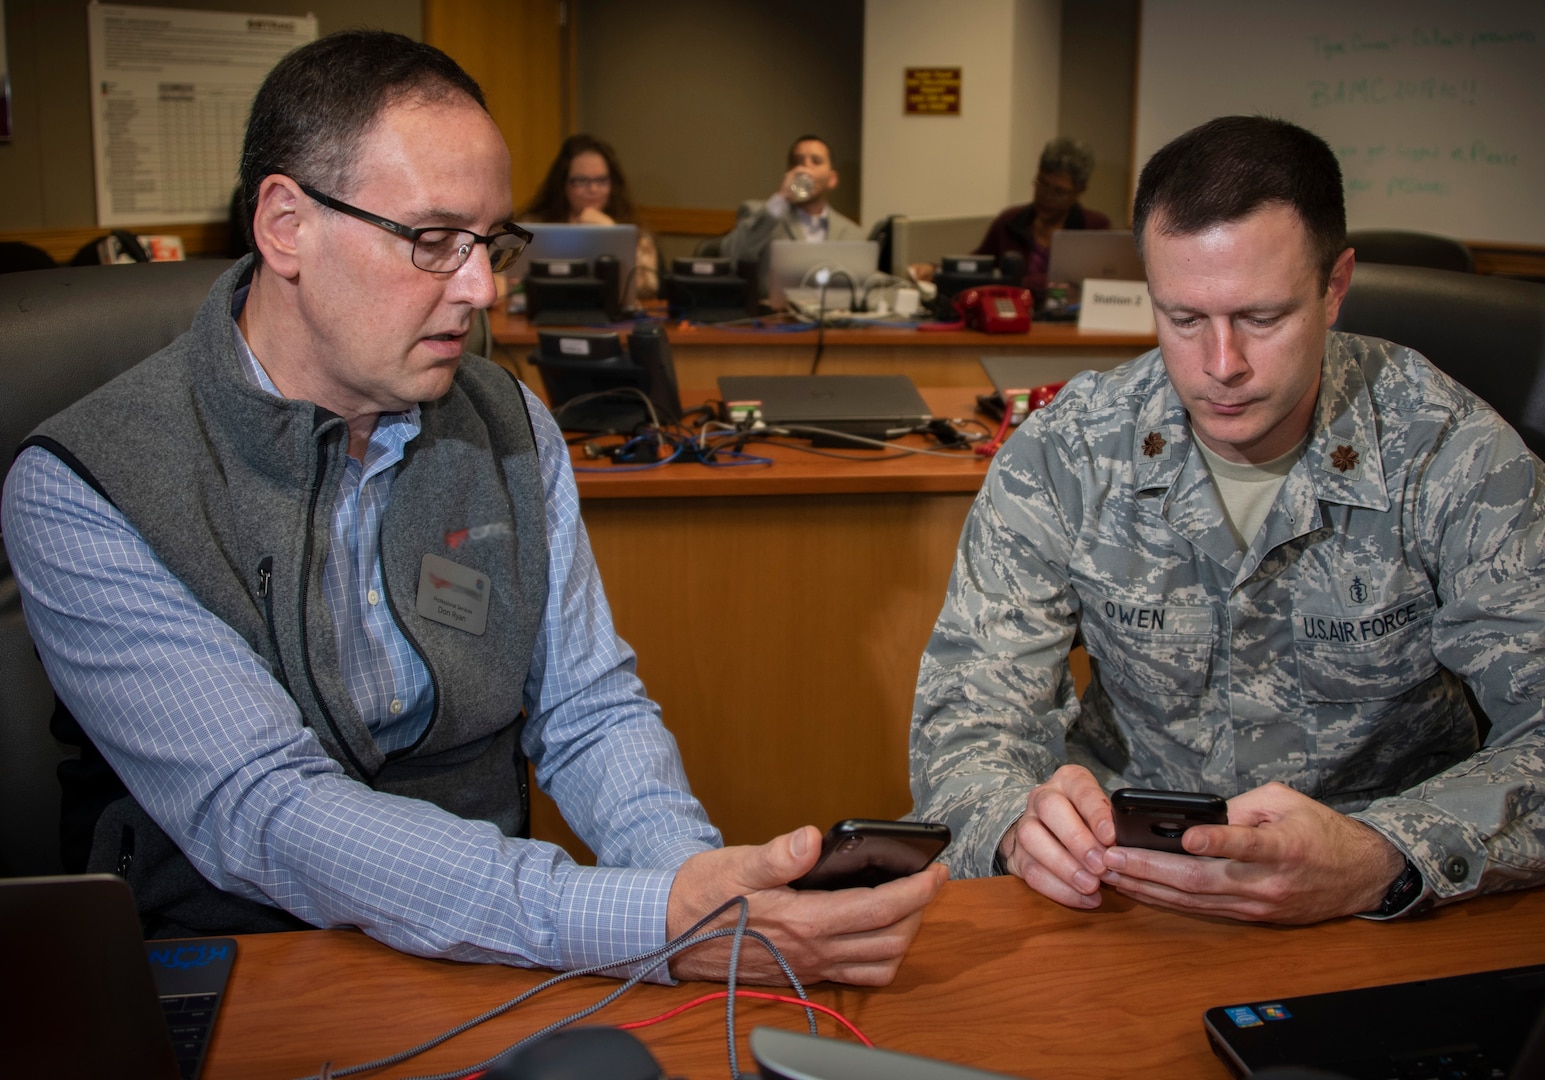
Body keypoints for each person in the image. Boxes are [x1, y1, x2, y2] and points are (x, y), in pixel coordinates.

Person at [2, 29, 943, 985]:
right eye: (431, 241)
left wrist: (697, 884)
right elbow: (268, 812)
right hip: (247, 963)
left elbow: (589, 710)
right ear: (286, 224)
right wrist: (652, 921)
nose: (482, 288)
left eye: (491, 243)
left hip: (492, 948)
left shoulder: (507, 423)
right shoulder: (87, 485)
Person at [910, 115, 1545, 925]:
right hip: (1126, 897)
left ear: (1335, 287)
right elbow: (969, 716)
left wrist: (1384, 853)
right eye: (1183, 318)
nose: (1221, 364)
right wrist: (1018, 829)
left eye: (1262, 318)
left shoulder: (1449, 452)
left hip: (1379, 910)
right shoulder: (1068, 453)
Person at [718, 134, 865, 296]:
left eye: (815, 161)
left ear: (832, 179)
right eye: (798, 162)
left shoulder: (853, 234)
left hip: (833, 318)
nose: (805, 168)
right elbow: (730, 256)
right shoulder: (763, 215)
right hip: (775, 317)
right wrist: (781, 198)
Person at [522, 133, 660, 301]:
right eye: (581, 180)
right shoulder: (533, 226)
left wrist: (612, 233)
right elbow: (505, 279)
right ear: (562, 183)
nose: (593, 189)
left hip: (610, 319)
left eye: (602, 180)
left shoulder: (635, 232)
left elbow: (647, 287)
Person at [967, 136, 1110, 296]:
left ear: (1079, 191)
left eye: (1059, 191)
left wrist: (1018, 283)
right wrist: (939, 269)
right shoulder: (1010, 221)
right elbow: (978, 265)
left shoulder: (1094, 228)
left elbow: (1085, 280)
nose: (1047, 196)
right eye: (1042, 184)